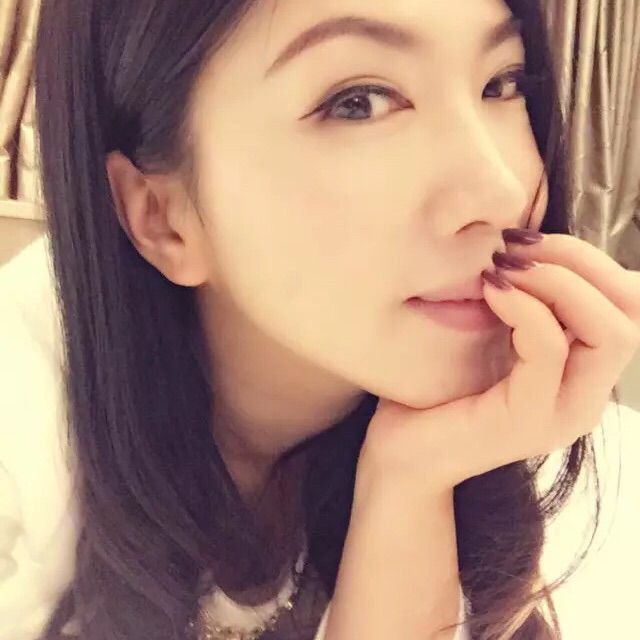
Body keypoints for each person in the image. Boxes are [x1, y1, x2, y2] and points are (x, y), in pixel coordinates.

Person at [1, 0, 639, 638]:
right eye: (358, 102)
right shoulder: (22, 448)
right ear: (161, 218)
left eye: (501, 83)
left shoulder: (537, 446)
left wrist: (412, 482)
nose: (503, 190)